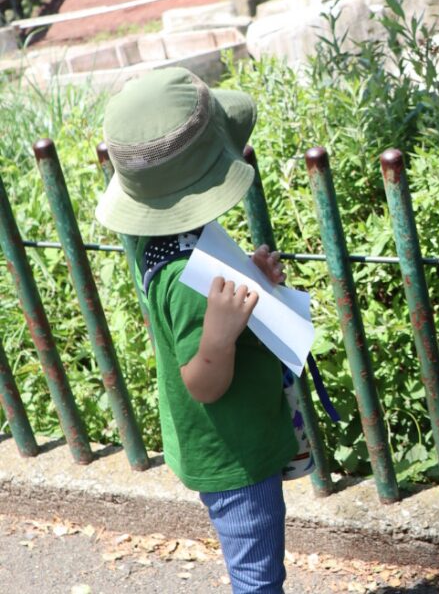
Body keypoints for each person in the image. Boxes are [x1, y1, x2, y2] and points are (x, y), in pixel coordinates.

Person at [95, 67, 298, 594]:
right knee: (257, 576)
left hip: (215, 440)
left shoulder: (155, 233)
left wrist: (247, 275)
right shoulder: (187, 285)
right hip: (232, 452)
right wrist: (220, 333)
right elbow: (202, 381)